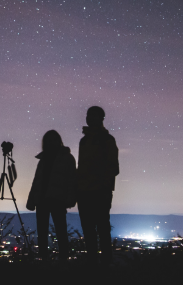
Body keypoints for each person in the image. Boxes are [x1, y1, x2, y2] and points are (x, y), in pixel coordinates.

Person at [77, 106, 119, 265]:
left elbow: (113, 167)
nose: (89, 118)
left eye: (93, 116)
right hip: (85, 191)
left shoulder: (107, 140)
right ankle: (94, 265)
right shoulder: (85, 140)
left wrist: (99, 182)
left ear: (101, 119)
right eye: (88, 115)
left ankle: (104, 265)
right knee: (90, 230)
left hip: (99, 191)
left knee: (101, 228)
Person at [26, 130, 76, 260]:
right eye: (48, 140)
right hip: (42, 199)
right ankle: (45, 260)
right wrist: (32, 200)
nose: (51, 142)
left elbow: (72, 180)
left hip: (57, 200)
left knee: (60, 231)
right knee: (42, 232)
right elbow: (37, 181)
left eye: (53, 139)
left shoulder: (67, 158)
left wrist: (70, 198)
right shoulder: (43, 159)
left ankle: (63, 260)